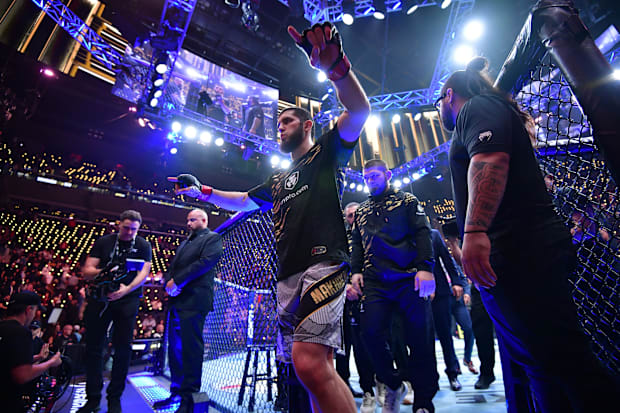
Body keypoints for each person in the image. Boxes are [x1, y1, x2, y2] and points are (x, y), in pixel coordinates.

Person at [169, 21, 370, 413]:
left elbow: (360, 109)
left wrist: (336, 69)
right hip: (287, 275)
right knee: (318, 369)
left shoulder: (325, 153)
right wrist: (202, 192)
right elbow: (241, 200)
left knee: (310, 365)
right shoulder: (277, 181)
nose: (280, 128)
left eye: (288, 121)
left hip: (323, 264)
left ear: (307, 124)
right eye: (278, 124)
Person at [437, 56, 619, 411]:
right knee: (543, 365)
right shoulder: (486, 109)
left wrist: (474, 230)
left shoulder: (478, 106)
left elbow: (490, 158)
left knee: (565, 361)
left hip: (521, 253)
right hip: (516, 255)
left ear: (447, 95)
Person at [350, 158, 438, 413]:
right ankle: (393, 383)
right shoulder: (363, 210)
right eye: (366, 177)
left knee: (420, 340)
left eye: (374, 176)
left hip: (409, 278)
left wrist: (425, 269)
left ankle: (423, 402)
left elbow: (423, 233)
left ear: (387, 174)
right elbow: (357, 243)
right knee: (370, 333)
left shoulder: (408, 201)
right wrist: (355, 271)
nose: (370, 181)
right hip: (376, 280)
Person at [78, 210, 152, 413]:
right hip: (100, 298)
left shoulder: (144, 245)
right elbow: (87, 270)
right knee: (93, 348)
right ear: (118, 225)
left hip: (127, 300)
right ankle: (92, 399)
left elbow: (144, 273)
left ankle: (114, 399)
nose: (129, 232)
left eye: (134, 229)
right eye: (126, 228)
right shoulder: (104, 242)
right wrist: (105, 271)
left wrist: (126, 289)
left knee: (122, 349)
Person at [152, 209, 223, 413]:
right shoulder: (186, 243)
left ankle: (188, 397)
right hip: (178, 300)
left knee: (190, 348)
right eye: (187, 220)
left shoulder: (212, 238)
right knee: (175, 348)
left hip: (194, 299)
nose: (188, 223)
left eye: (192, 219)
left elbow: (205, 263)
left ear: (204, 220)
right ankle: (176, 391)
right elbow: (174, 268)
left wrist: (178, 282)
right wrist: (168, 282)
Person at [337, 202, 377, 409]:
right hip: (343, 300)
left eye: (356, 214)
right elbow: (333, 267)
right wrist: (345, 288)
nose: (353, 218)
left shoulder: (373, 234)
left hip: (370, 298)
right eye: (349, 215)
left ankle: (369, 388)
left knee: (365, 348)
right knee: (342, 349)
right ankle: (342, 388)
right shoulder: (339, 239)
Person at [0, 291, 62, 412]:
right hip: (7, 403)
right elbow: (22, 375)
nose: (34, 316)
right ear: (29, 310)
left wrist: (38, 357)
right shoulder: (21, 332)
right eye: (35, 312)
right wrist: (51, 362)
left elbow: (8, 360)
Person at [429, 228, 464, 391]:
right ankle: (431, 378)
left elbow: (447, 260)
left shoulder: (433, 235)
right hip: (417, 293)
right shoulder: (402, 234)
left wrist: (457, 282)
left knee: (445, 335)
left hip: (440, 291)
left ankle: (452, 373)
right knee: (424, 338)